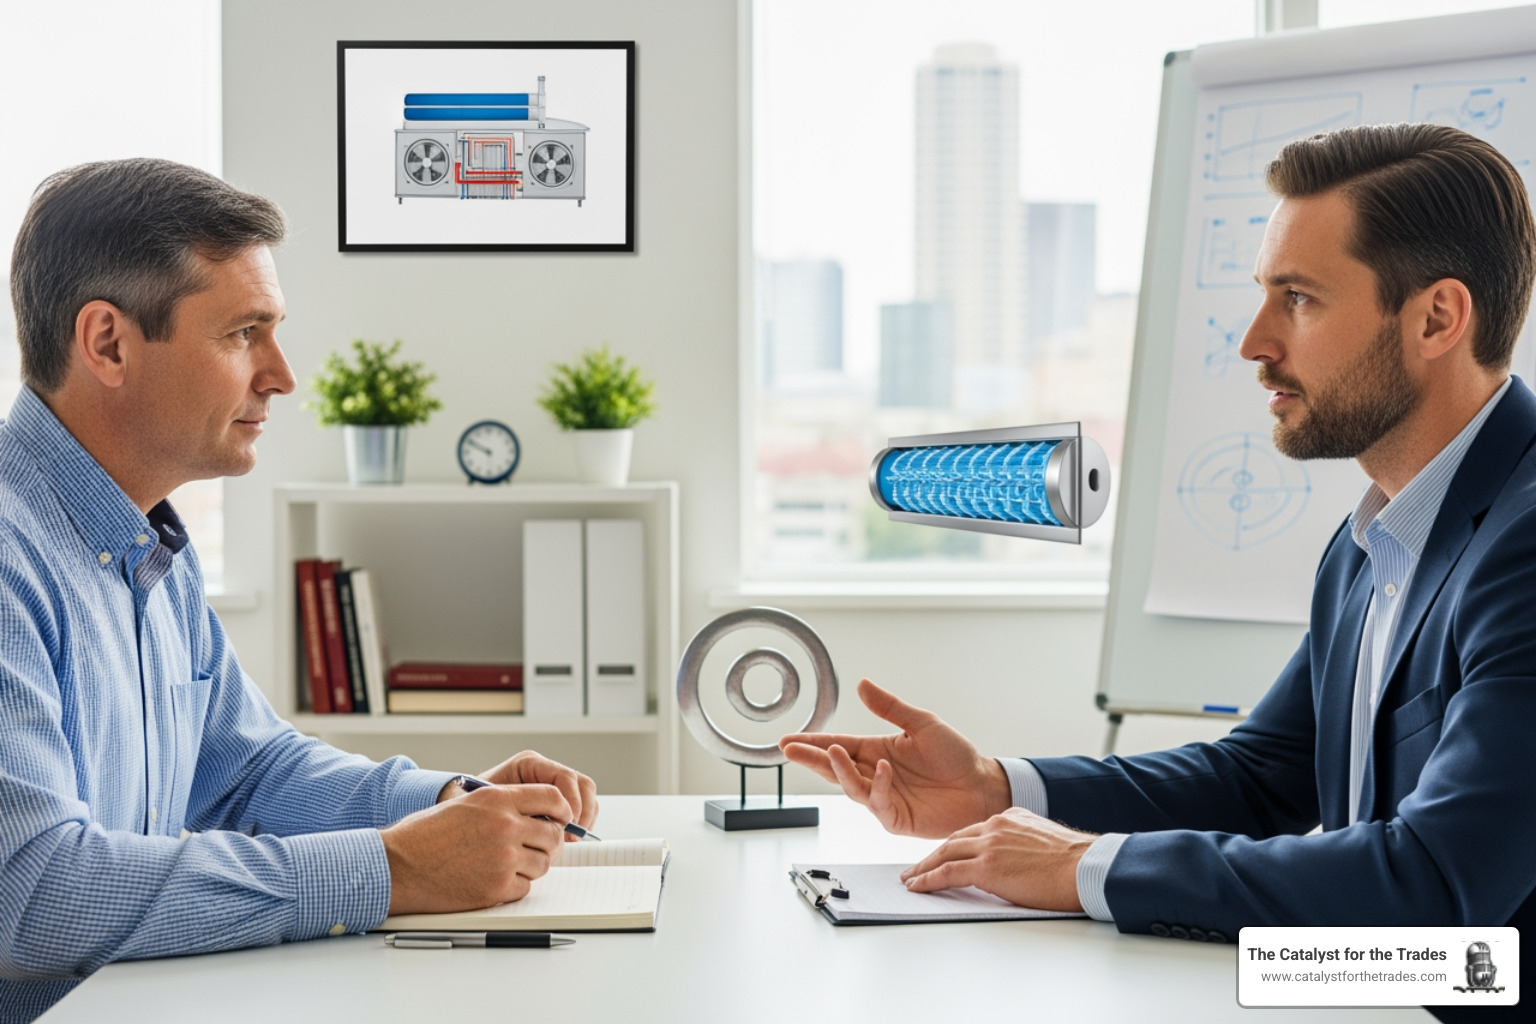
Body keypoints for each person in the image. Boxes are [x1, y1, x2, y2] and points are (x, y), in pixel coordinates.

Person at [783, 123, 1536, 987]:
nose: (1254, 342)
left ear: (1437, 317)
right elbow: (1263, 776)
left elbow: (1438, 884)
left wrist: (1083, 866)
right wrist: (1000, 790)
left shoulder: (1523, 543)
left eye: (1298, 298)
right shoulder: (1377, 538)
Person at [0, 159, 598, 1023]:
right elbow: (33, 898)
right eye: (244, 333)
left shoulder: (148, 543)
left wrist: (444, 806)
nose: (281, 375)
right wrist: (393, 869)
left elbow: (247, 771)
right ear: (108, 344)